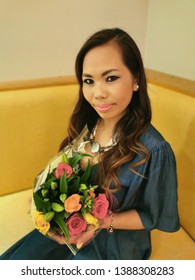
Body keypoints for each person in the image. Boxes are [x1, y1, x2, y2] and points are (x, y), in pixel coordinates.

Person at [0, 27, 180, 260]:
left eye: (111, 78)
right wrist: (46, 201)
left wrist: (102, 221)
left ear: (136, 79)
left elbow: (153, 216)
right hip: (70, 230)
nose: (98, 93)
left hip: (115, 244)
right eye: (88, 81)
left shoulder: (154, 150)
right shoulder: (86, 125)